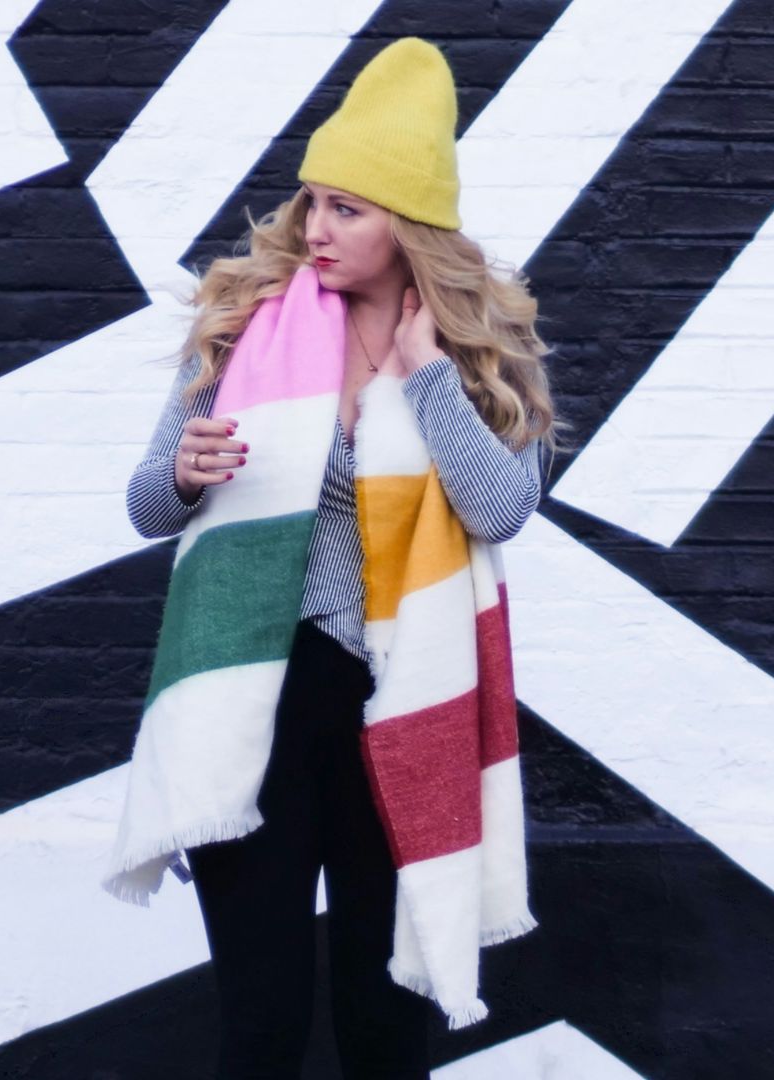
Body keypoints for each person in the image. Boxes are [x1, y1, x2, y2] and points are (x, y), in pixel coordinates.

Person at [123, 37, 571, 1079]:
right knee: (262, 1022)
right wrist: (186, 474)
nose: (317, 229)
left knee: (382, 1024)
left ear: (407, 223)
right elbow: (148, 505)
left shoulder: (477, 352)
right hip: (257, 705)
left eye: (349, 209)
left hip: (402, 701)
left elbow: (502, 510)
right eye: (312, 203)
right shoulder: (247, 327)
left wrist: (426, 385)